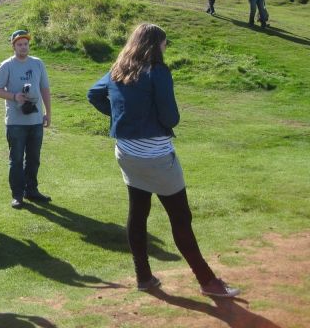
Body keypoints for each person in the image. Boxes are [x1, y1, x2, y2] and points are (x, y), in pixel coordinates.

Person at [87, 23, 240, 298]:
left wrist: (121, 117)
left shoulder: (117, 70)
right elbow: (171, 118)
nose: (165, 47)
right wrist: (139, 117)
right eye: (164, 43)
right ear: (155, 44)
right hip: (156, 156)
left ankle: (144, 277)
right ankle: (208, 282)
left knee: (138, 212)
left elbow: (93, 94)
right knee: (181, 218)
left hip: (127, 154)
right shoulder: (157, 72)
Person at [0, 29, 52, 209]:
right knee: (16, 160)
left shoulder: (38, 63)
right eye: (19, 44)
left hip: (35, 120)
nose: (23, 47)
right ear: (13, 46)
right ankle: (17, 195)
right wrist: (14, 96)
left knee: (34, 158)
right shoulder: (6, 65)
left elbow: (45, 90)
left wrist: (48, 113)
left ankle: (31, 190)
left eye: (25, 44)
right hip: (15, 122)